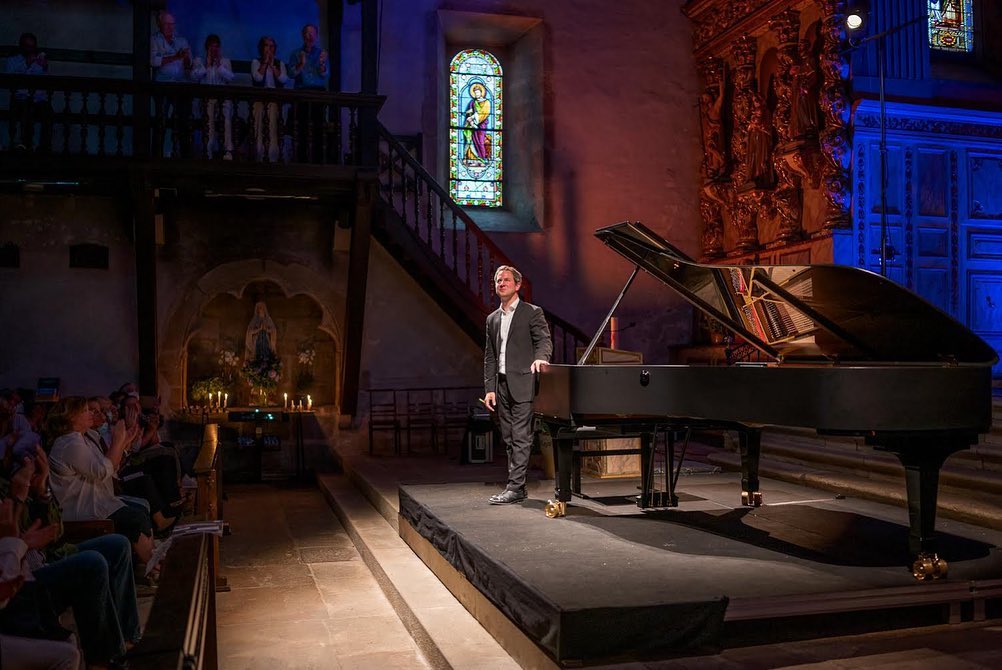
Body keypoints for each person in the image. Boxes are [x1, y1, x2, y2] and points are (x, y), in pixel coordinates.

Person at [483, 265, 552, 504]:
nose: (501, 284)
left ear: (517, 285)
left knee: (521, 436)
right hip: (501, 385)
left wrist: (541, 357)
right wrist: (490, 388)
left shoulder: (531, 312)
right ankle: (518, 487)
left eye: (506, 280)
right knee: (509, 437)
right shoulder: (492, 319)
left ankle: (514, 487)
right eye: (498, 281)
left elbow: (543, 339)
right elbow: (490, 355)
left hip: (523, 382)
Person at [151, 11, 193, 157]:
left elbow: (189, 66)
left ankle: (183, 155)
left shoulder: (181, 41)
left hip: (179, 85)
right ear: (160, 24)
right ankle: (157, 155)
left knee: (182, 121)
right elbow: (154, 62)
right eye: (166, 24)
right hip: (162, 85)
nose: (170, 27)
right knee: (161, 121)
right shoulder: (154, 40)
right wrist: (176, 56)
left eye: (172, 24)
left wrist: (186, 58)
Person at [288, 24, 329, 162]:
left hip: (318, 93)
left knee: (318, 127)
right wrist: (301, 63)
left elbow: (325, 75)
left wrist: (323, 64)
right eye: (307, 33)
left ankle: (318, 159)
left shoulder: (321, 53)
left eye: (312, 33)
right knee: (301, 127)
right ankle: (301, 158)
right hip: (302, 93)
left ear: (316, 36)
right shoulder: (296, 53)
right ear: (303, 36)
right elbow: (291, 74)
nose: (309, 36)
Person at [5, 32, 51, 152]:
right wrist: (26, 64)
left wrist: (45, 67)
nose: (29, 49)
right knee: (27, 110)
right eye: (26, 45)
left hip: (37, 99)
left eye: (31, 46)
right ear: (21, 46)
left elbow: (43, 80)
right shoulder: (12, 60)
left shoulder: (39, 60)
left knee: (48, 112)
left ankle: (43, 147)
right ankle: (25, 145)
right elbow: (10, 77)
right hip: (20, 98)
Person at [191, 34, 235, 160]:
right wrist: (207, 65)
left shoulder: (225, 61)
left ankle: (228, 151)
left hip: (222, 99)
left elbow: (231, 77)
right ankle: (208, 151)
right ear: (207, 48)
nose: (214, 49)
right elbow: (194, 77)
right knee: (208, 120)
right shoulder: (199, 61)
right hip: (207, 98)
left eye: (217, 46)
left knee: (226, 119)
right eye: (212, 47)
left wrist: (219, 65)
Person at [251, 36, 289, 162]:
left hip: (274, 101)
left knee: (273, 128)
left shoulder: (280, 64)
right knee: (260, 128)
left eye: (272, 46)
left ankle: (273, 155)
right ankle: (259, 154)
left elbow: (283, 79)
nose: (269, 49)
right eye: (267, 45)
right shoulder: (256, 62)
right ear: (262, 48)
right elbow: (257, 78)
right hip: (260, 101)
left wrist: (272, 66)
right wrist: (265, 63)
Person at [462, 82, 491, 167]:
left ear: (481, 92)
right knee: (472, 141)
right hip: (472, 126)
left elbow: (484, 113)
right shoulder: (472, 102)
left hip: (481, 125)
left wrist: (473, 118)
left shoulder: (486, 102)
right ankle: (473, 160)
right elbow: (469, 111)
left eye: (478, 92)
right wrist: (469, 116)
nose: (476, 94)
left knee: (480, 142)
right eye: (475, 93)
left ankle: (482, 160)